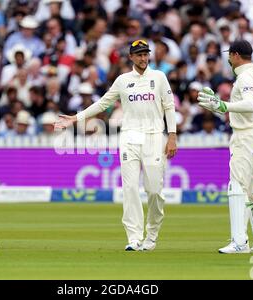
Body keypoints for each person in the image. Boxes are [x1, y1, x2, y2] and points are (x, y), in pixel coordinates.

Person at [55, 39, 177, 251]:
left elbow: (169, 106)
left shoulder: (159, 78)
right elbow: (103, 103)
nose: (143, 58)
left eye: (145, 54)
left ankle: (152, 234)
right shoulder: (123, 80)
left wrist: (172, 136)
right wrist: (76, 118)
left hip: (155, 136)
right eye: (138, 54)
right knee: (129, 188)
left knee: (155, 191)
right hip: (130, 136)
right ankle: (134, 237)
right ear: (131, 57)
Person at [196, 40, 253, 254]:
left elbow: (248, 104)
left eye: (230, 55)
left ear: (236, 55)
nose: (228, 59)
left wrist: (223, 105)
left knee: (237, 188)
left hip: (245, 137)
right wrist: (217, 105)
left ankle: (239, 242)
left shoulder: (246, 77)